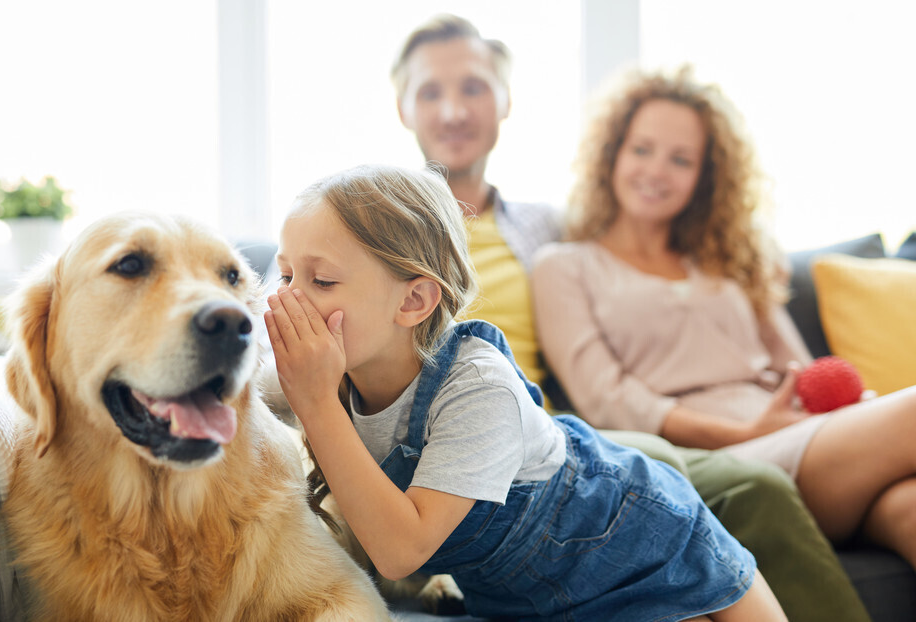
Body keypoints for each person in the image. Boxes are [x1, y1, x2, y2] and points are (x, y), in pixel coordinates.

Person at [390, 14, 871, 621]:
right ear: (403, 108)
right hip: (468, 444)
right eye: (431, 92)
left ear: (506, 101)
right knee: (710, 477)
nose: (454, 110)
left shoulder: (545, 228)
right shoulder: (380, 229)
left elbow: (625, 247)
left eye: (474, 88)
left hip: (555, 437)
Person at [265, 163, 785, 621]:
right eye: (285, 275)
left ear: (413, 301)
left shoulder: (478, 388)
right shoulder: (319, 373)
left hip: (638, 539)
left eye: (322, 281)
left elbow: (401, 552)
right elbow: (233, 406)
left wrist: (317, 403)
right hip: (521, 597)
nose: (288, 300)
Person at [531, 65, 916, 571]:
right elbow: (608, 400)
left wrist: (851, 412)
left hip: (801, 439)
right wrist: (746, 433)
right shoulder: (564, 266)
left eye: (681, 159)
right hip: (720, 460)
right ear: (612, 154)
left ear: (705, 176)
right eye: (642, 149)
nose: (656, 171)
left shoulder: (728, 261)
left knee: (909, 507)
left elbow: (799, 370)